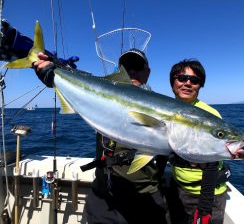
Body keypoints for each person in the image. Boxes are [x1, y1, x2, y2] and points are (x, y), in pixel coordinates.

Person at [33, 49, 169, 224]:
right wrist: (52, 73)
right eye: (127, 67)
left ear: (147, 72)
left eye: (137, 66)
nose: (132, 72)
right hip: (103, 197)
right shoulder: (102, 98)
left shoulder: (162, 107)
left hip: (144, 197)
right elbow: (81, 84)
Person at [167, 59, 230, 224]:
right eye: (182, 78)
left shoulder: (210, 114)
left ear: (200, 85)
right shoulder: (166, 107)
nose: (188, 83)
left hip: (206, 193)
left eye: (194, 80)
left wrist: (205, 206)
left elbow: (212, 159)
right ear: (172, 81)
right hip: (177, 187)